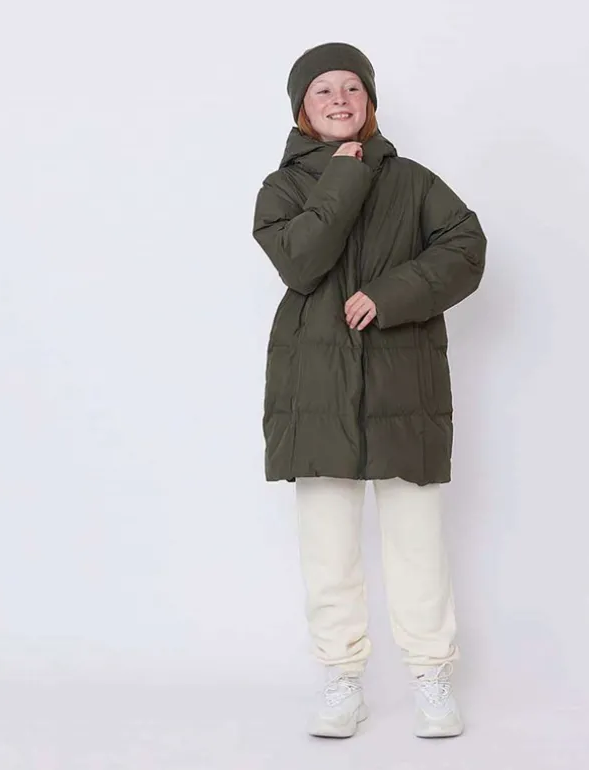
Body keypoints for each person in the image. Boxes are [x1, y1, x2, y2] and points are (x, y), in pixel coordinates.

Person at [252, 41, 487, 738]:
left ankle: (432, 675)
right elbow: (302, 262)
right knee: (327, 543)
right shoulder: (281, 190)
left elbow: (466, 247)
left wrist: (390, 294)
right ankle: (341, 678)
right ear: (302, 108)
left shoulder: (413, 181)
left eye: (351, 87)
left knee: (417, 539)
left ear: (370, 102)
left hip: (403, 377)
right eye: (322, 89)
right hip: (315, 383)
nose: (339, 99)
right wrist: (345, 174)